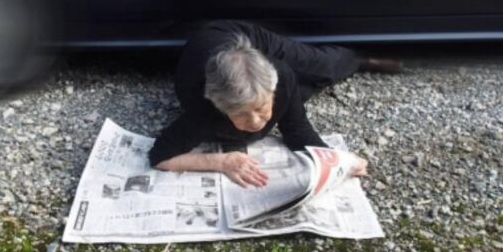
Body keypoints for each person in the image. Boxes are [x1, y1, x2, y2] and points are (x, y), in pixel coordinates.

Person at [148, 21, 399, 187]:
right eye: (241, 114)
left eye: (260, 108)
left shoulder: (281, 77)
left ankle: (359, 57)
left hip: (242, 38)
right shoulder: (204, 108)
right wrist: (221, 162)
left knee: (321, 66)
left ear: (273, 87)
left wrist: (337, 160)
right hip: (212, 47)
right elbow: (159, 156)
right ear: (221, 106)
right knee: (302, 93)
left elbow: (298, 132)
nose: (256, 122)